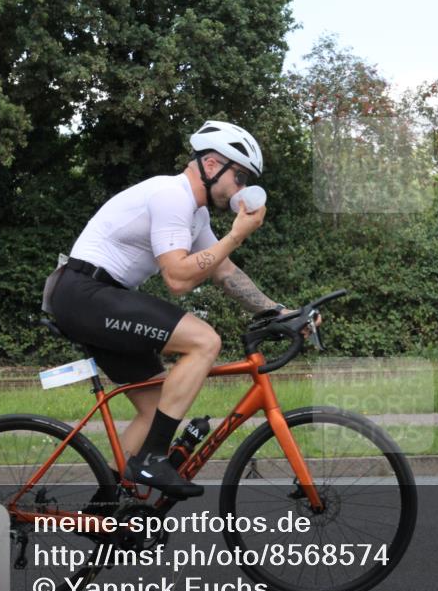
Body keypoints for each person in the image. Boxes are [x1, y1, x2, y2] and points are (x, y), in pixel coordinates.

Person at [48, 120, 290, 499]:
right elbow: (177, 277)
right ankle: (152, 458)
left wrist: (277, 311)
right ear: (212, 165)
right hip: (85, 293)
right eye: (240, 177)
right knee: (204, 341)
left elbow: (223, 272)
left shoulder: (195, 214)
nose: (242, 190)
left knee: (155, 408)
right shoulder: (171, 196)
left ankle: (106, 511)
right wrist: (236, 235)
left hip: (97, 297)